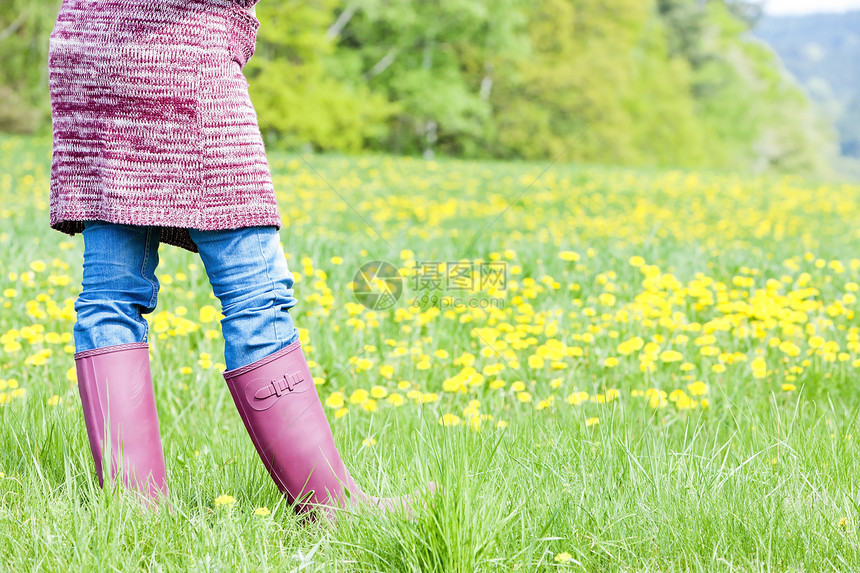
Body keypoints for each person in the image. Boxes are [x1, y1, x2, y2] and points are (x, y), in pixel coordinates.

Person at [48, 0, 428, 520]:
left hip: (90, 45)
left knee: (111, 296)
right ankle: (333, 508)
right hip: (177, 51)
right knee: (258, 295)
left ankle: (134, 516)